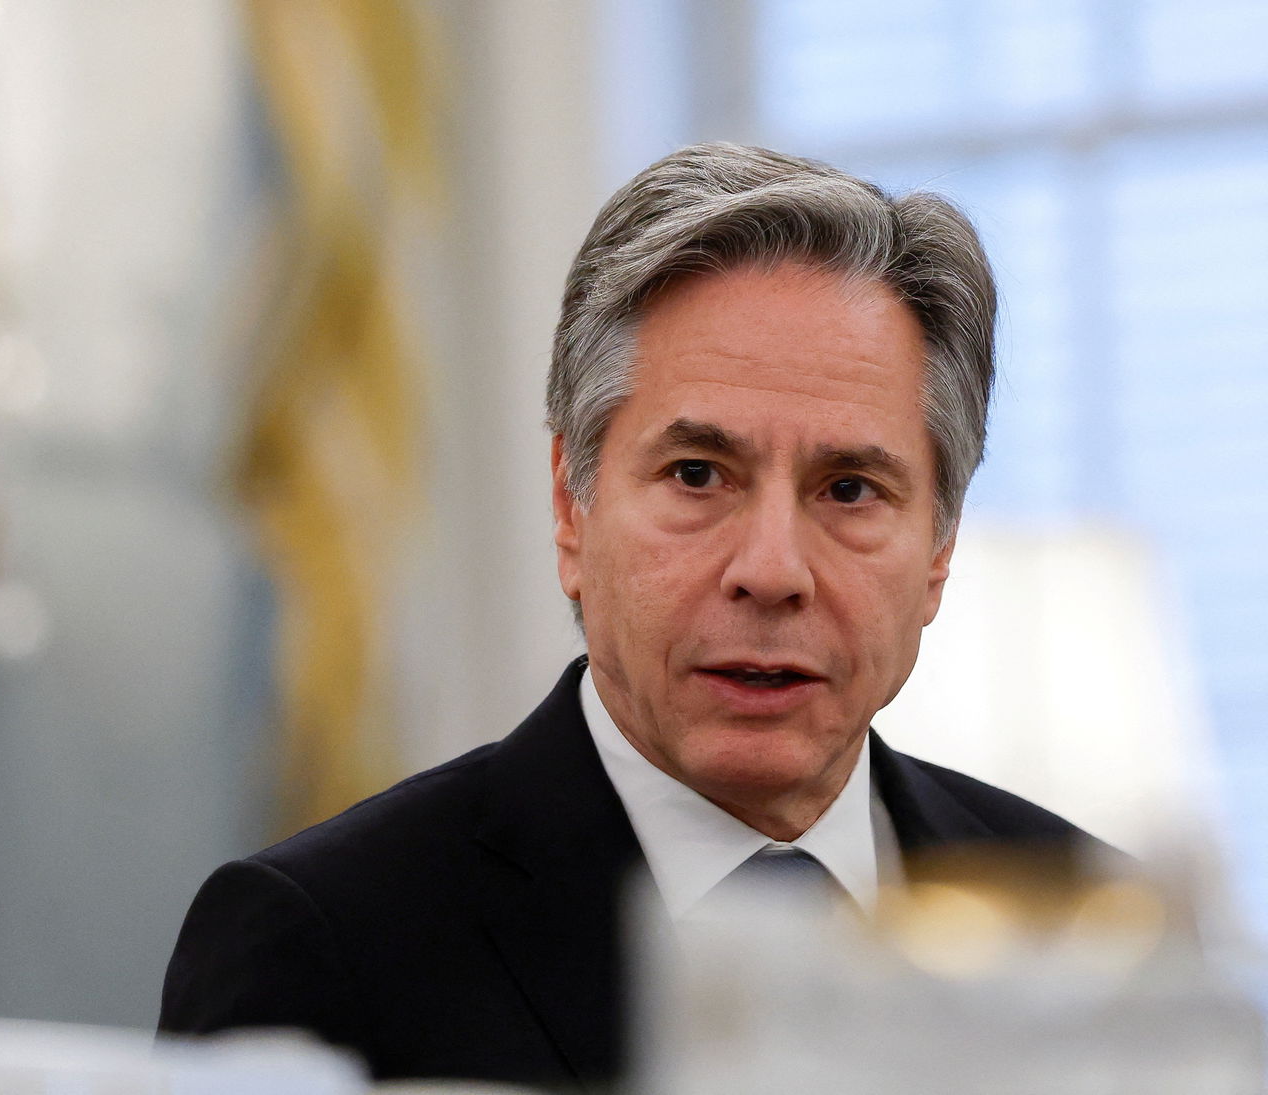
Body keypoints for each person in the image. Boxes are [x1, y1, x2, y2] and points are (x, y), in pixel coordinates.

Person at [158, 144, 1105, 1089]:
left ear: (939, 547)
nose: (771, 571)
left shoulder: (1087, 923)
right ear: (572, 506)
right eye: (697, 474)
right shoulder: (322, 941)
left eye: (849, 488)